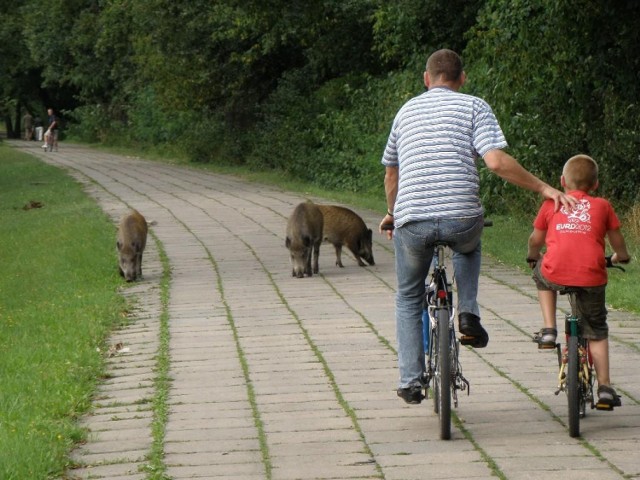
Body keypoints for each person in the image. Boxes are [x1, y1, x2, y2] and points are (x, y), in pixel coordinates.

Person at [379, 48, 575, 405]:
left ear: (427, 79)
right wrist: (546, 188)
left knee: (408, 296)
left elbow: (391, 173)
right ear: (462, 78)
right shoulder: (474, 106)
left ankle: (410, 380)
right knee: (469, 243)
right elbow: (496, 162)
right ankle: (467, 312)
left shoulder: (405, 111)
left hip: (414, 221)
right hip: (461, 216)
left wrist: (393, 212)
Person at [526, 154, 630, 409]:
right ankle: (604, 388)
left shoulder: (551, 204)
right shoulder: (603, 206)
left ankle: (549, 329)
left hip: (555, 271)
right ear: (595, 185)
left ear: (562, 181)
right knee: (596, 330)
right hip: (591, 275)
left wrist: (532, 257)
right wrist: (621, 257)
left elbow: (535, 241)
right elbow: (618, 243)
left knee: (541, 273)